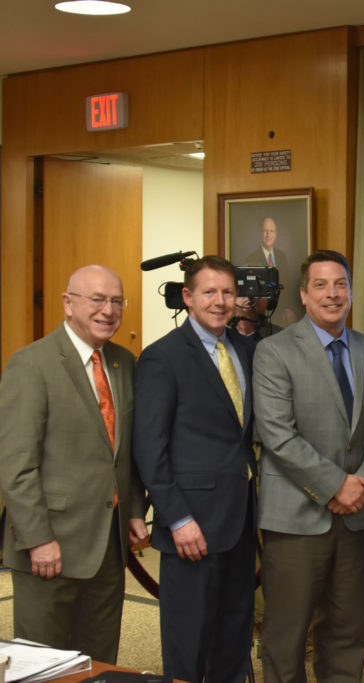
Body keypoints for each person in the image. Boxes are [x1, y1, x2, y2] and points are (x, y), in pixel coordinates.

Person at [253, 250, 364, 683]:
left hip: (354, 516)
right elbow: (277, 434)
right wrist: (336, 486)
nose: (333, 294)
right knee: (287, 632)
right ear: (304, 293)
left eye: (341, 285)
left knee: (347, 630)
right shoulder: (274, 351)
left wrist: (361, 483)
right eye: (321, 285)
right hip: (295, 517)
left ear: (350, 291)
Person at [0, 266, 146, 662]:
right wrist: (38, 540)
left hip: (109, 548)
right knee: (44, 664)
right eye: (97, 299)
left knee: (97, 662)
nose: (109, 310)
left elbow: (126, 451)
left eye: (117, 301)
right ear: (68, 304)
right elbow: (16, 467)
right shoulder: (31, 365)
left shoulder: (123, 362)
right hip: (49, 550)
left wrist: (134, 510)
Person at [133, 256, 257, 683]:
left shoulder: (244, 348)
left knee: (234, 635)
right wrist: (178, 518)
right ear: (188, 297)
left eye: (227, 292)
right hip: (192, 526)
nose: (220, 302)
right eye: (209, 292)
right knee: (188, 639)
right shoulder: (161, 357)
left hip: (240, 518)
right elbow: (150, 449)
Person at [241, 217, 298, 324]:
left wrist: (287, 308)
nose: (268, 235)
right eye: (265, 231)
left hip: (282, 312)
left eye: (271, 231)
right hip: (259, 315)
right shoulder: (250, 258)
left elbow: (287, 285)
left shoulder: (282, 256)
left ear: (275, 234)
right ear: (260, 233)